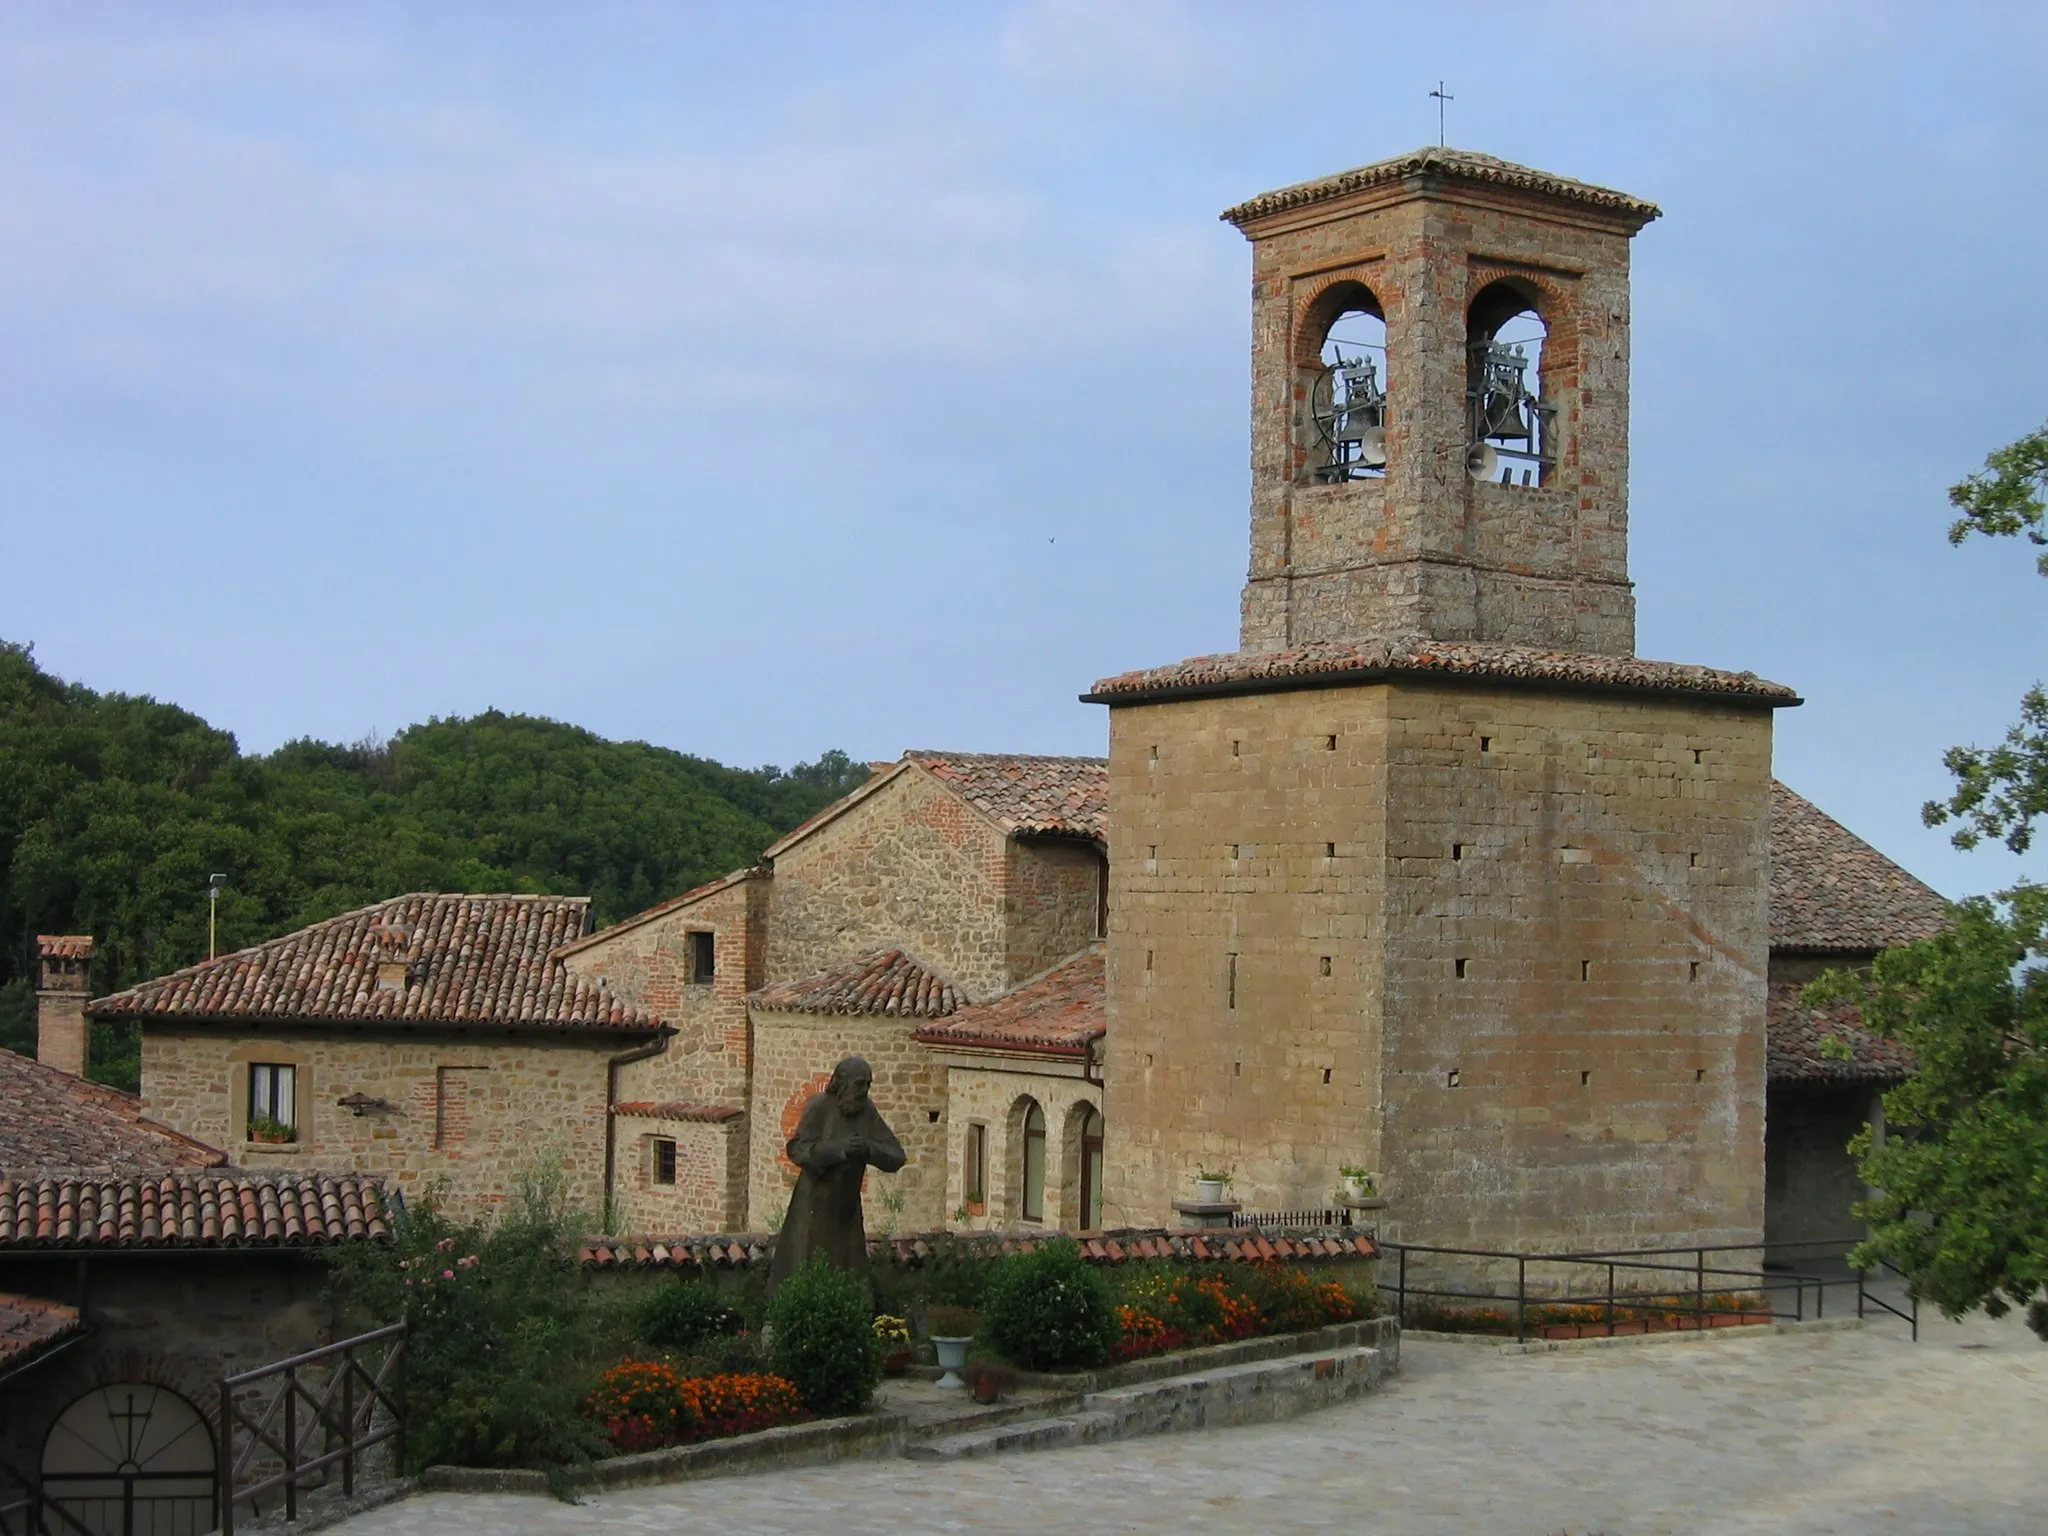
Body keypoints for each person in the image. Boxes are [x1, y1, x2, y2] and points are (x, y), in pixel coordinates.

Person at [765, 1055, 906, 1294]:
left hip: (847, 1208)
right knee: (808, 1269)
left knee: (850, 1274)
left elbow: (896, 1155)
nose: (864, 1091)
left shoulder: (866, 1111)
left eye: (868, 1085)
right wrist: (839, 1149)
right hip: (814, 1205)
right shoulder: (819, 1106)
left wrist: (869, 1149)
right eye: (860, 1084)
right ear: (842, 1083)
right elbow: (797, 1149)